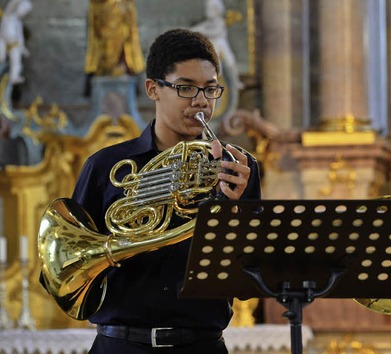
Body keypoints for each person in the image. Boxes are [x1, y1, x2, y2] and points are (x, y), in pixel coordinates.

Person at [70, 29, 260, 353]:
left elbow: (249, 279)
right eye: (185, 88)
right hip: (121, 345)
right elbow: (76, 264)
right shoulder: (106, 167)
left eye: (210, 89)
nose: (201, 101)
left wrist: (232, 208)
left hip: (203, 346)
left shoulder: (238, 168)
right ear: (153, 89)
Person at [0, 0, 32, 84]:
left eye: (26, 11)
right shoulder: (9, 14)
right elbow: (13, 3)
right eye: (24, 9)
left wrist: (23, 49)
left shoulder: (18, 22)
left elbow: (20, 37)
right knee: (1, 58)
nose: (24, 12)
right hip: (2, 41)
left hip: (14, 45)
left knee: (16, 63)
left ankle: (14, 77)